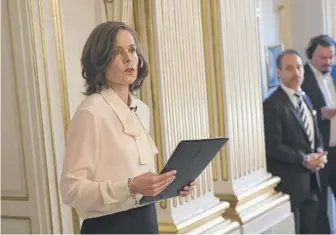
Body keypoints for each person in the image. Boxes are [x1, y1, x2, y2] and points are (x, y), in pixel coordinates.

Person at [60, 21, 195, 234]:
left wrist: (170, 185)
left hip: (146, 221)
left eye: (132, 50)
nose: (128, 58)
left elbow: (138, 177)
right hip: (108, 227)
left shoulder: (141, 109)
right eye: (117, 52)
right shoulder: (90, 113)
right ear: (100, 60)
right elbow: (71, 191)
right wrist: (130, 187)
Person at [263, 49, 328, 234]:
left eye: (299, 67)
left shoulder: (304, 97)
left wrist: (320, 154)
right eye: (289, 68)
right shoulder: (272, 105)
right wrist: (305, 159)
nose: (296, 72)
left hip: (312, 183)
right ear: (279, 72)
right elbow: (273, 147)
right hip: (291, 187)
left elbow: (316, 134)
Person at [301, 35, 336, 233]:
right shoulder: (301, 76)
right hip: (319, 153)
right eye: (323, 57)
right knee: (320, 208)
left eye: (330, 57)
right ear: (311, 54)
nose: (327, 62)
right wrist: (321, 114)